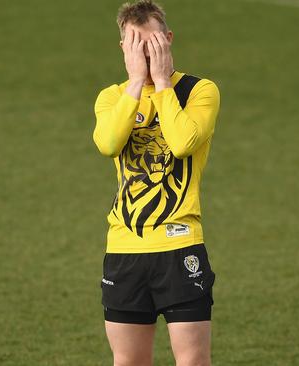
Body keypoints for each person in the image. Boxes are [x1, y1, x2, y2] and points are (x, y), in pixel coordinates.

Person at [93, 1, 220, 365]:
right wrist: (136, 83)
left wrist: (162, 83)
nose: (146, 53)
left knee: (193, 361)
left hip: (180, 246)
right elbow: (108, 143)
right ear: (123, 49)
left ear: (168, 39)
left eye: (152, 44)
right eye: (136, 46)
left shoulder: (199, 91)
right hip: (124, 249)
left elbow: (182, 143)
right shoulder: (112, 97)